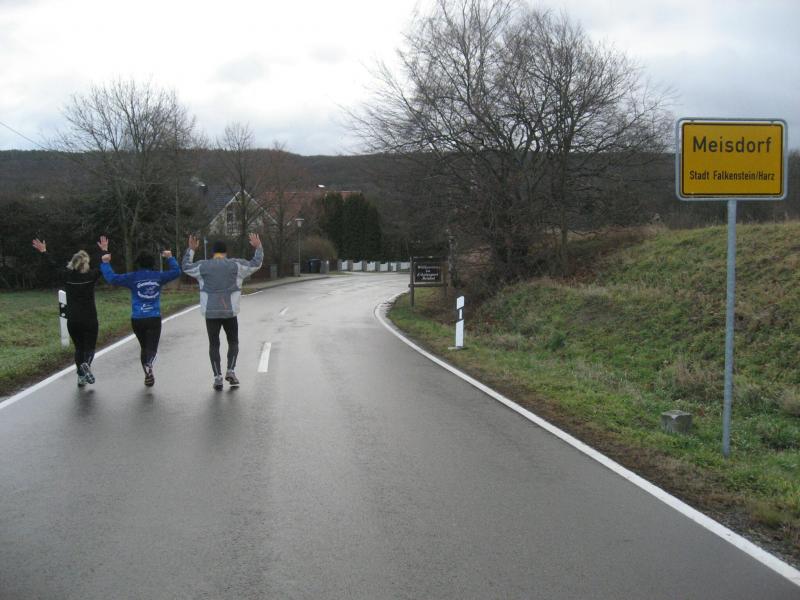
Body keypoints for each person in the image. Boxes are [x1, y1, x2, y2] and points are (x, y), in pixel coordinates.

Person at [182, 233, 263, 390]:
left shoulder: (203, 266)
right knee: (233, 342)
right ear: (226, 252)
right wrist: (258, 247)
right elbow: (255, 264)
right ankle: (230, 370)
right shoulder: (236, 265)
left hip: (210, 313)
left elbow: (186, 267)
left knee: (214, 344)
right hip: (229, 312)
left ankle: (217, 377)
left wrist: (191, 250)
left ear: (213, 252)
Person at [99, 242, 180, 387]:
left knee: (144, 348)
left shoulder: (133, 277)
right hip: (153, 317)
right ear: (152, 262)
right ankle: (149, 364)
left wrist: (105, 263)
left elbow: (112, 278)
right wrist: (170, 258)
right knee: (152, 349)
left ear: (138, 263)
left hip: (137, 319)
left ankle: (148, 375)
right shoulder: (159, 277)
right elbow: (176, 272)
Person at [32, 236, 107, 387]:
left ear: (73, 263)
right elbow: (103, 266)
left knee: (79, 348)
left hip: (73, 319)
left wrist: (44, 252)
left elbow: (53, 266)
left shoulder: (67, 276)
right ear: (86, 264)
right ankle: (86, 365)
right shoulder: (91, 276)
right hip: (90, 318)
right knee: (89, 348)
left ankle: (81, 377)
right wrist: (104, 250)